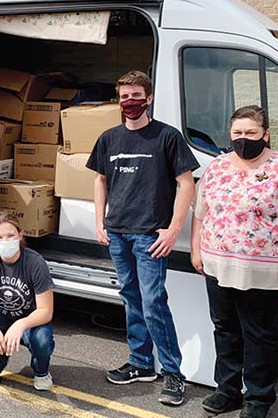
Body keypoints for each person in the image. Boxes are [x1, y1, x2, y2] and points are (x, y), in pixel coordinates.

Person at [191, 105, 278, 418]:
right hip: (218, 266)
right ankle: (228, 391)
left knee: (259, 335)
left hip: (264, 271)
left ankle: (258, 398)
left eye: (251, 133)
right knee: (225, 330)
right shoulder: (217, 167)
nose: (243, 138)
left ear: (265, 134)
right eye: (237, 133)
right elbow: (201, 212)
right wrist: (197, 250)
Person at [86, 70, 199, 407]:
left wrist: (174, 228)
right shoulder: (109, 138)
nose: (130, 103)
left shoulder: (167, 136)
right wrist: (100, 221)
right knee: (131, 299)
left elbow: (187, 183)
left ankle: (174, 373)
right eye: (124, 97)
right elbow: (100, 181)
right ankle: (141, 363)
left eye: (136, 96)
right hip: (118, 232)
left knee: (153, 303)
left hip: (150, 235)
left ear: (149, 98)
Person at [0, 211, 56, 391]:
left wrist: (20, 325)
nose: (5, 241)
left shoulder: (35, 262)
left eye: (10, 235)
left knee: (42, 339)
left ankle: (41, 371)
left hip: (29, 319)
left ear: (20, 235)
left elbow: (46, 310)